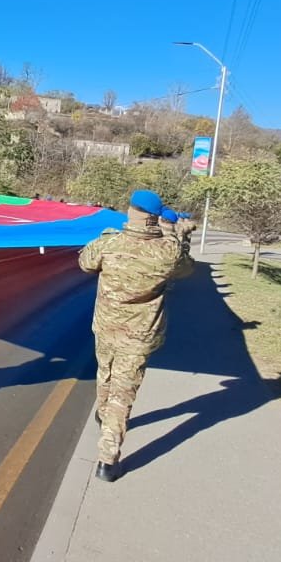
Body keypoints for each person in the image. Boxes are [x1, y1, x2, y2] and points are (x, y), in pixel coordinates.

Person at [79, 189, 193, 482]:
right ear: (154, 218)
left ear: (130, 212)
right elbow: (185, 270)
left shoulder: (109, 243)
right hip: (139, 335)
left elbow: (85, 263)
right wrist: (180, 236)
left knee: (104, 373)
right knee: (123, 392)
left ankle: (103, 415)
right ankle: (107, 459)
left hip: (105, 326)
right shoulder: (167, 251)